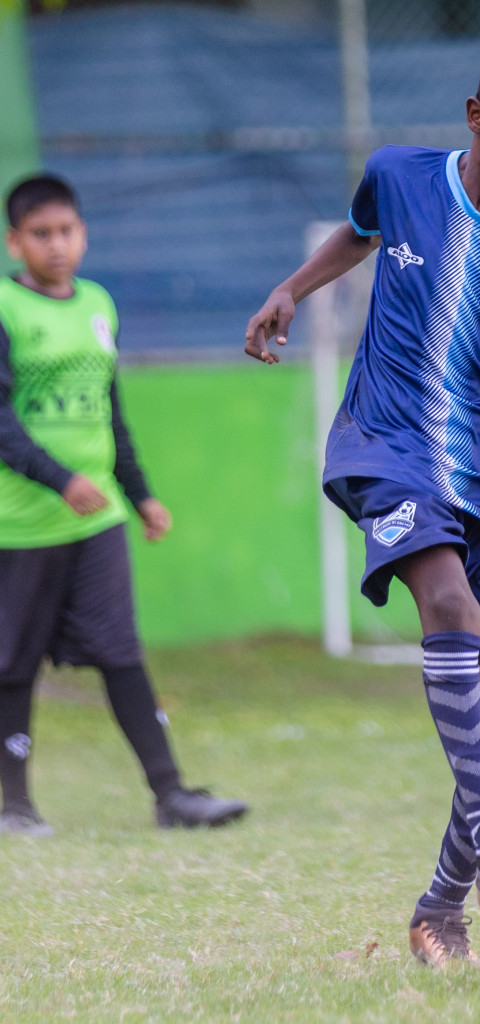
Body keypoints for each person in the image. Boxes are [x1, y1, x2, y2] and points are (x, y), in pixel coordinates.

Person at [243, 35, 480, 967]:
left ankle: (439, 907)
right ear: (475, 118)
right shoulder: (401, 178)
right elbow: (360, 228)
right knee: (447, 609)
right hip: (383, 447)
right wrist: (292, 291)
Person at [0, 174, 248, 836]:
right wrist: (59, 480)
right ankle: (14, 804)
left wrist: (138, 495)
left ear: (83, 234)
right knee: (12, 662)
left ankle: (172, 796)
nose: (57, 246)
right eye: (41, 234)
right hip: (21, 524)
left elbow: (111, 412)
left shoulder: (98, 305)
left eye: (67, 231)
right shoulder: (5, 308)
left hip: (97, 517)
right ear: (13, 241)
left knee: (120, 650)